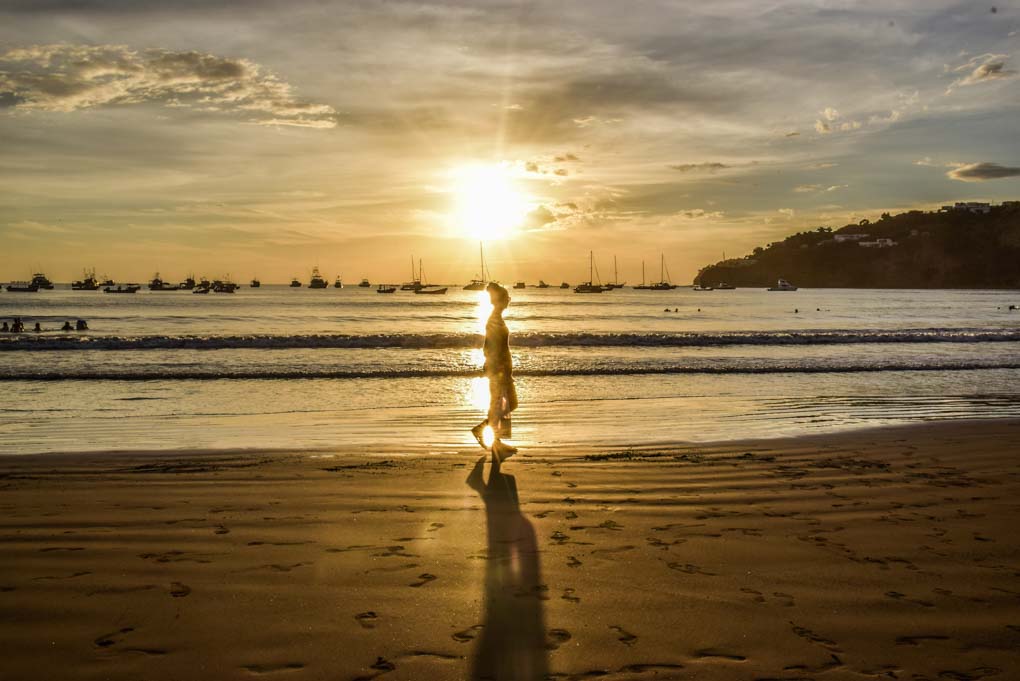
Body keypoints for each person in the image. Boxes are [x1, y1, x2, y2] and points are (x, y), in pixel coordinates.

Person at [471, 282, 518, 458]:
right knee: (507, 403)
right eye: (506, 298)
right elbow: (489, 346)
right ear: (500, 300)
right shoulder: (494, 319)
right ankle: (482, 429)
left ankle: (497, 442)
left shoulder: (496, 317)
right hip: (498, 368)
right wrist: (499, 368)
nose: (508, 301)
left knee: (501, 404)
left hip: (500, 367)